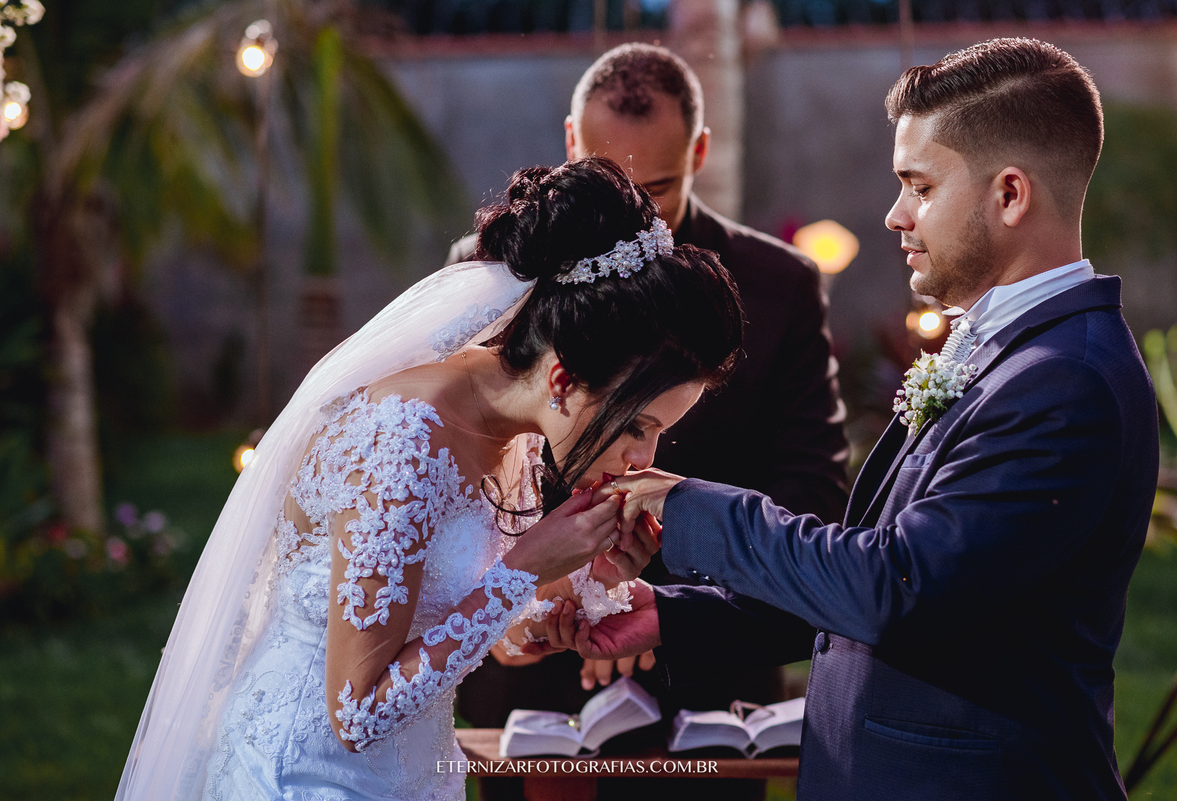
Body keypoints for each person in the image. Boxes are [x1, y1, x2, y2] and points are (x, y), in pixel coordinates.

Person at [551, 38, 1160, 800]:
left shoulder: (1063, 383)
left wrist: (678, 504)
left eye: (920, 185)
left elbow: (896, 587)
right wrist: (675, 617)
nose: (895, 214)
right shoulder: (1010, 350)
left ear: (1010, 195)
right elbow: (884, 585)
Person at [113, 157, 745, 801]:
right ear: (562, 379)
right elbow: (357, 714)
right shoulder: (403, 443)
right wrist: (525, 568)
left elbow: (488, 635)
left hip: (413, 773)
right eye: (638, 425)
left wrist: (587, 581)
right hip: (307, 776)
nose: (646, 458)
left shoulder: (516, 426)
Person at [448, 45, 846, 800]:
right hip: (533, 682)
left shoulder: (779, 286)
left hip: (708, 690)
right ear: (571, 144)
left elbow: (812, 489)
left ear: (700, 151)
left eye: (657, 187)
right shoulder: (493, 270)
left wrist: (658, 602)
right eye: (609, 175)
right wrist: (571, 586)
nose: (634, 207)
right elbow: (466, 466)